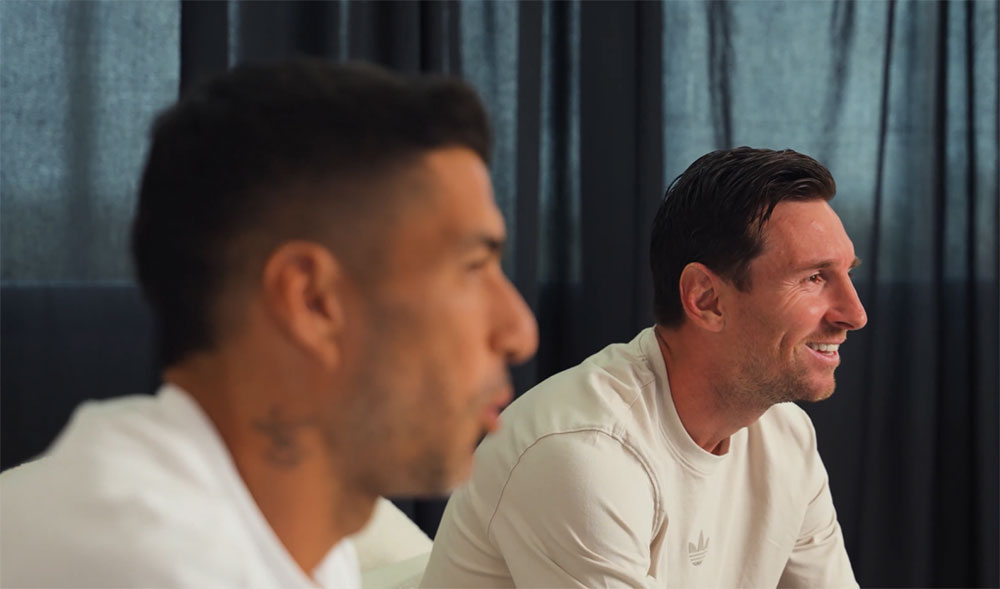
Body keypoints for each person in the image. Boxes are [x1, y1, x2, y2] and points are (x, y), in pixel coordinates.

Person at [0, 59, 537, 588]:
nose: (520, 333)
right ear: (312, 302)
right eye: (473, 268)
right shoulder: (148, 564)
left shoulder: (293, 537)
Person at [422, 147, 867, 588]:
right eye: (814, 278)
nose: (855, 314)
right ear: (706, 299)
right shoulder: (584, 452)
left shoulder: (787, 436)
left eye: (848, 273)